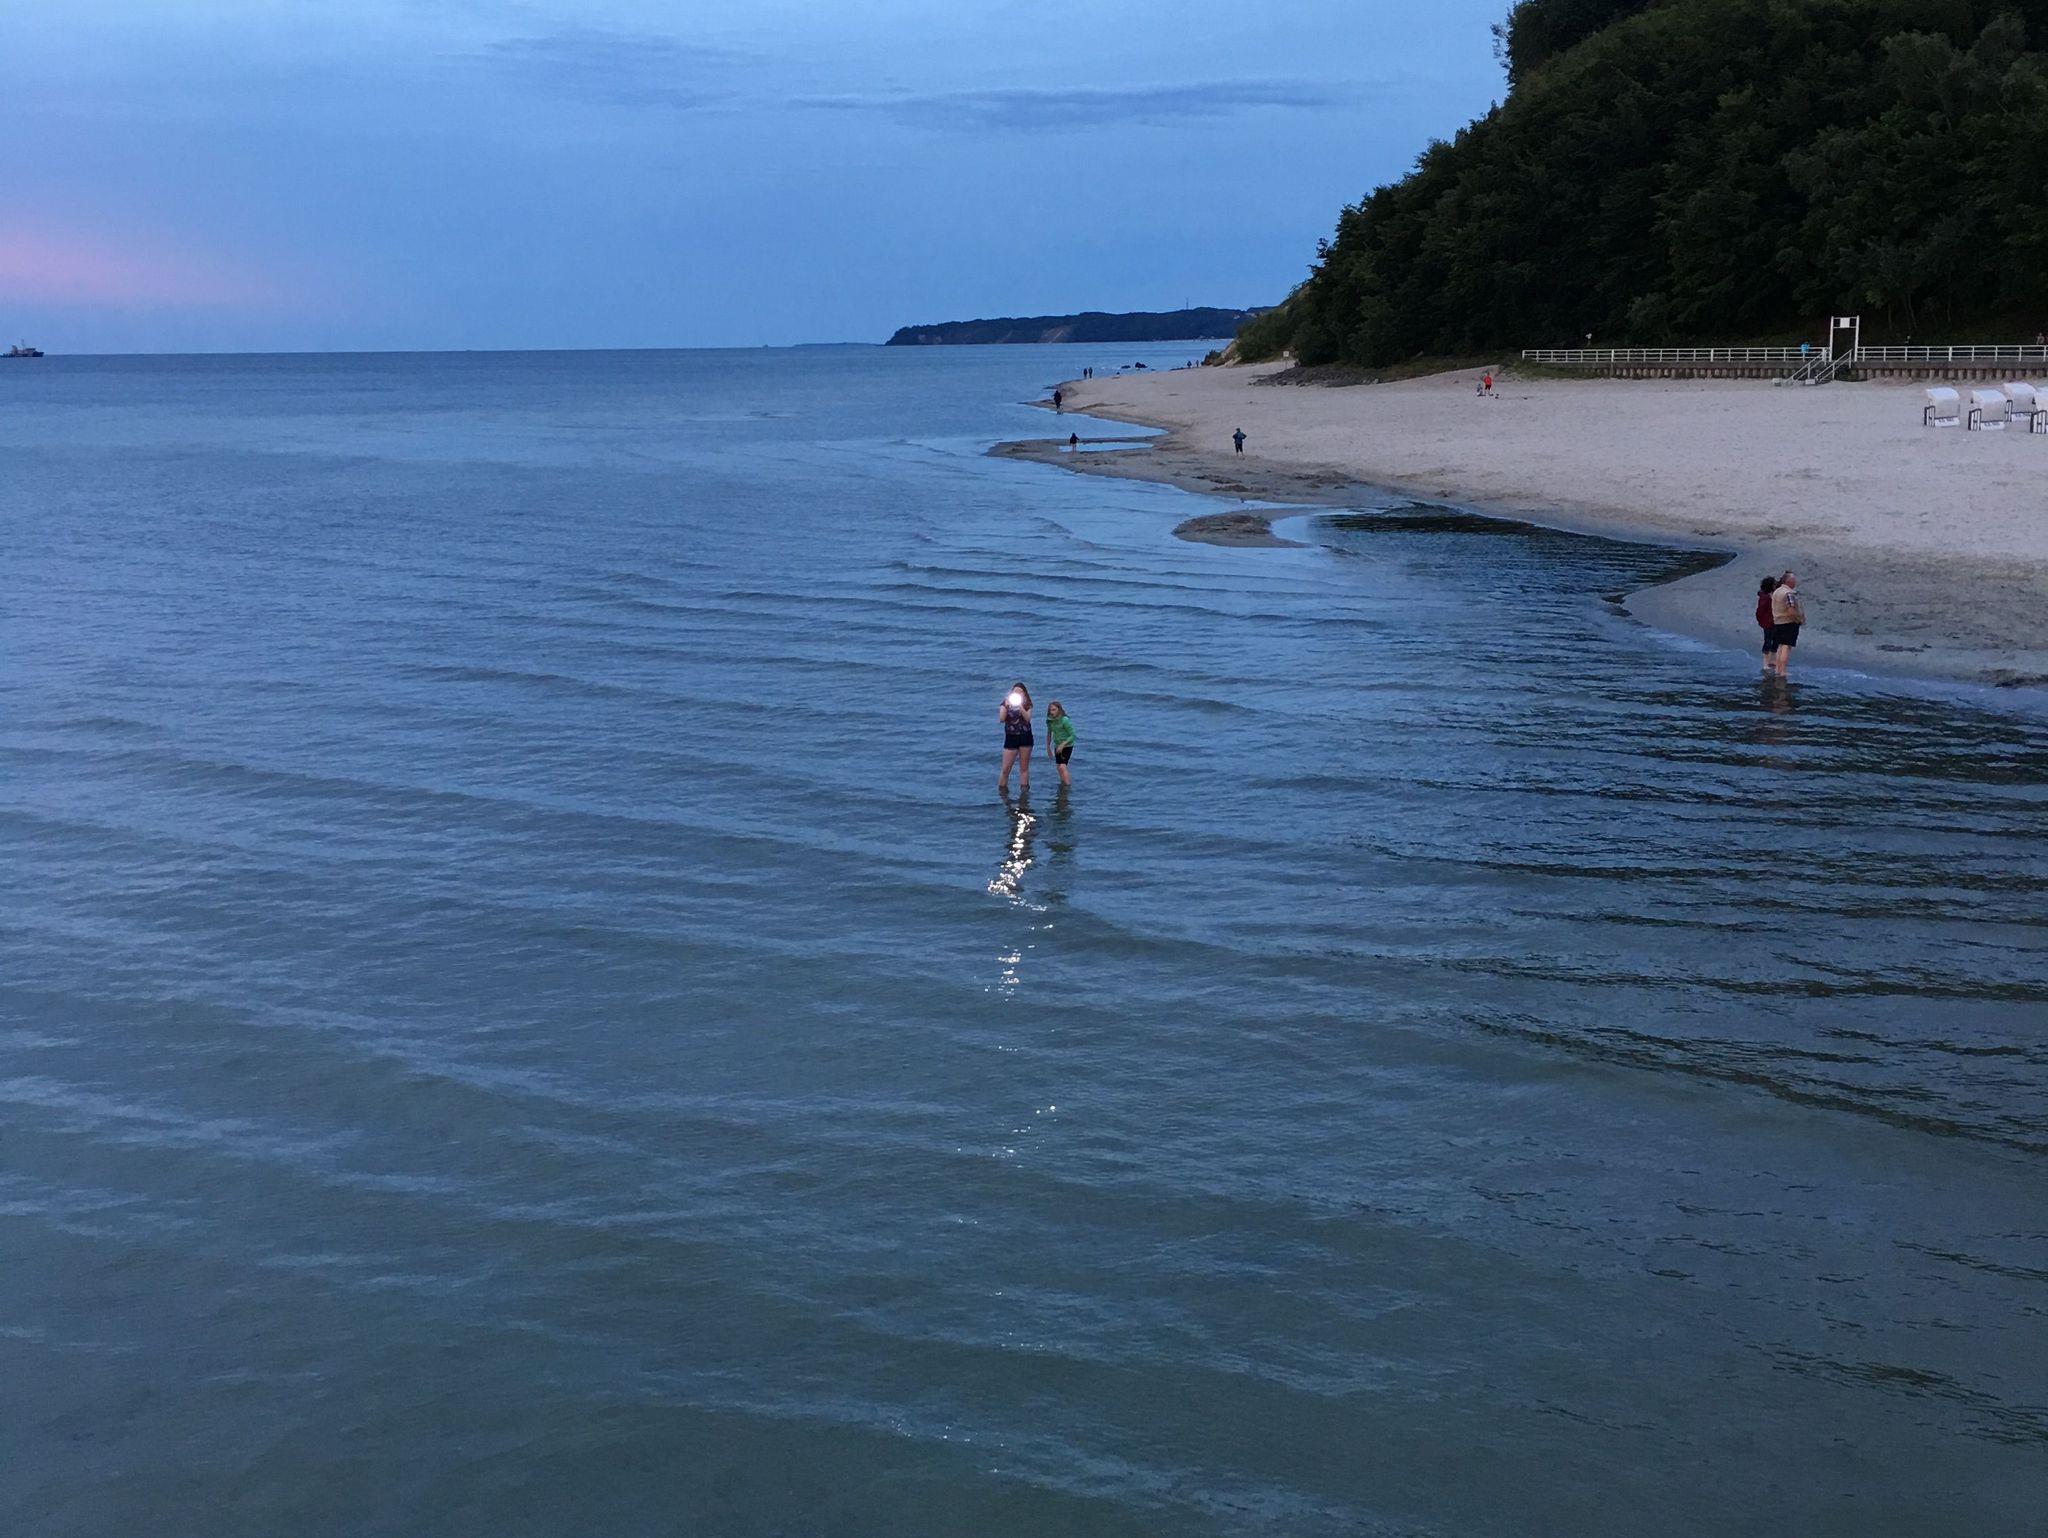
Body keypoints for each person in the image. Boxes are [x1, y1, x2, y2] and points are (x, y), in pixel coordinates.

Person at [1767, 571, 1805, 676]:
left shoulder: (1777, 591)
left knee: (1780, 646)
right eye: (1794, 581)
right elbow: (1791, 610)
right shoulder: (1788, 593)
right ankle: (1782, 670)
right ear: (1789, 581)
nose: (1795, 583)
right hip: (1788, 622)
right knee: (1786, 647)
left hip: (1777, 621)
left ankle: (1777, 670)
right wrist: (1798, 619)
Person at [998, 682, 1033, 792]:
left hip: (1025, 737)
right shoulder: (1005, 703)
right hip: (1011, 738)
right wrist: (1007, 707)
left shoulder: (1027, 704)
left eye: (1020, 692)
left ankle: (1024, 793)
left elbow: (1028, 719)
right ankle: (1002, 792)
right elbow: (1001, 719)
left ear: (1024, 693)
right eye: (1015, 691)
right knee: (1005, 769)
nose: (1018, 693)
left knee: (1024, 768)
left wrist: (1020, 707)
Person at [1046, 701, 1076, 786]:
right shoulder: (1050, 721)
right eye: (1050, 710)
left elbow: (1073, 735)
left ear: (1059, 710)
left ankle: (1068, 786)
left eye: (1054, 710)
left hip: (1067, 745)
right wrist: (1048, 748)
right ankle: (1063, 784)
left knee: (1062, 766)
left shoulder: (1064, 720)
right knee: (1059, 767)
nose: (1052, 712)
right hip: (1057, 745)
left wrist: (1063, 744)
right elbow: (1049, 733)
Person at [1755, 576, 1779, 670]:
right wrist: (1761, 620)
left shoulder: (1770, 596)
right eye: (1774, 584)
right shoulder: (1766, 598)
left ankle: (1772, 660)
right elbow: (1760, 610)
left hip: (1775, 621)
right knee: (1768, 640)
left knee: (1776, 640)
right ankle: (1766, 663)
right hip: (1769, 622)